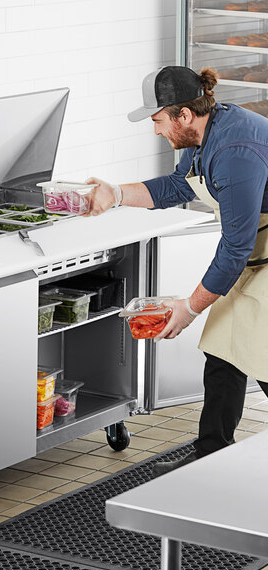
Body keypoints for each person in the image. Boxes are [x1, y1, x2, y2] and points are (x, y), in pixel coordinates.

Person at [85, 65, 268, 476]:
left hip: (257, 253)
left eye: (157, 120)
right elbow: (177, 187)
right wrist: (114, 194)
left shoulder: (235, 150)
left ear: (183, 114)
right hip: (256, 251)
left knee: (263, 355)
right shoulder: (206, 133)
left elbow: (235, 247)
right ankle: (211, 455)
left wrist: (190, 307)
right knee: (224, 350)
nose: (155, 131)